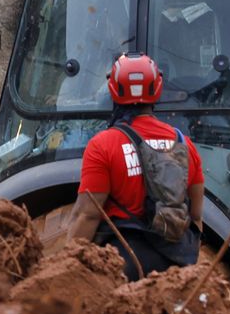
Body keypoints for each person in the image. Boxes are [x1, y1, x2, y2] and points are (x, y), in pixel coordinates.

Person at [66, 52, 206, 281]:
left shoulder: (103, 145)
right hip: (175, 269)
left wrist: (67, 269)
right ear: (157, 89)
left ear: (113, 89)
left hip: (123, 265)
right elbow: (196, 215)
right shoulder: (184, 144)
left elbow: (87, 215)